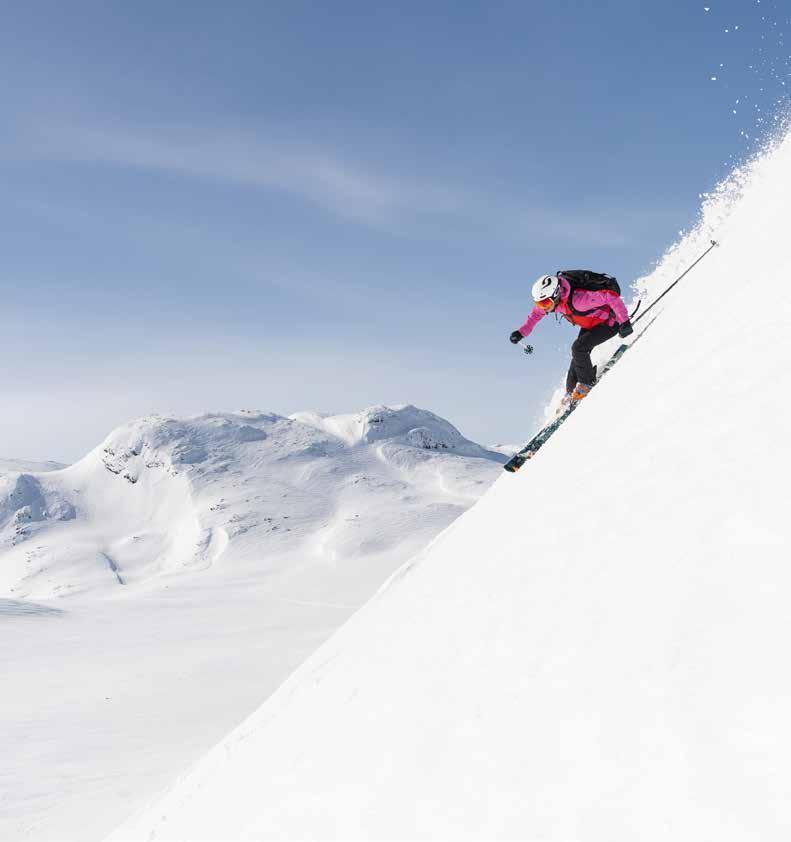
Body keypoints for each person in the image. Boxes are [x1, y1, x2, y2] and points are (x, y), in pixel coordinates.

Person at [510, 273, 633, 403]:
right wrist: (521, 333)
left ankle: (586, 384)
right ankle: (570, 392)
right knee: (577, 356)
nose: (543, 307)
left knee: (578, 348)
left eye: (545, 302)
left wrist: (624, 321)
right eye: (539, 303)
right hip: (592, 323)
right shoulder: (555, 303)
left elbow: (609, 297)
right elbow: (535, 315)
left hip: (609, 323)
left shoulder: (579, 300)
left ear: (556, 293)